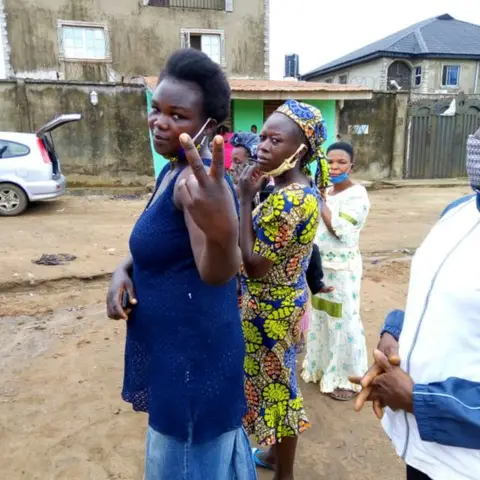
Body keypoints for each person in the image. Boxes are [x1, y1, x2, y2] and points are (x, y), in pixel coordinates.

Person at [106, 49, 256, 480]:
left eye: (178, 115)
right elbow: (158, 246)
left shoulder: (196, 183)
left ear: (210, 127)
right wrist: (124, 270)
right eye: (156, 109)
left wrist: (225, 230)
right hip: (180, 353)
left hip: (193, 364)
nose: (160, 121)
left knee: (188, 464)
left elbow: (217, 271)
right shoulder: (171, 170)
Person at [350, 127, 480, 480]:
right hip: (423, 450)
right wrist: (394, 337)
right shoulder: (460, 211)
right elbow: (436, 300)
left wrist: (418, 399)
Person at [237, 99, 329, 479]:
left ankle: (284, 473)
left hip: (268, 309)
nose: (262, 146)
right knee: (278, 379)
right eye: (263, 136)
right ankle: (275, 457)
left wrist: (244, 201)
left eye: (276, 140)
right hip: (283, 302)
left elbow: (255, 266)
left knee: (279, 389)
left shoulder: (289, 200)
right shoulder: (298, 190)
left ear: (300, 150)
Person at [302, 142, 370, 401]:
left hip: (344, 269)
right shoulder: (325, 191)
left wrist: (320, 202)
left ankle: (347, 376)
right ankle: (320, 368)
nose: (334, 167)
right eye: (330, 162)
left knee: (344, 320)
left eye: (341, 162)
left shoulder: (358, 195)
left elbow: (342, 230)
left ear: (352, 166)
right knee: (322, 317)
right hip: (320, 268)